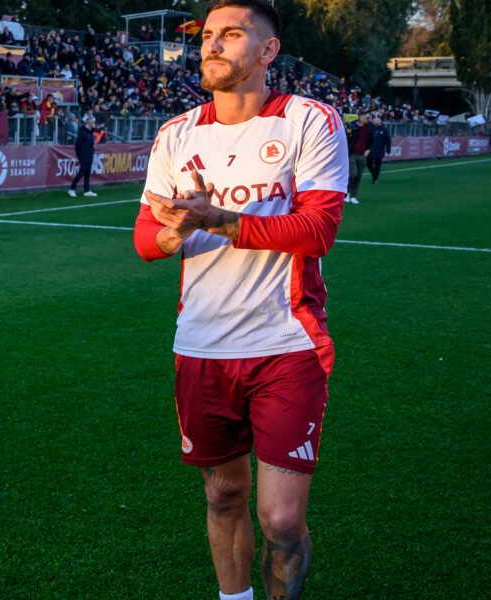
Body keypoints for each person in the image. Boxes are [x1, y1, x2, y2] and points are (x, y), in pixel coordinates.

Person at [132, 1, 348, 599]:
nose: (213, 45)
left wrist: (221, 219)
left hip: (285, 344)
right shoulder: (177, 133)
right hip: (200, 344)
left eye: (231, 34)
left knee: (281, 521)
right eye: (207, 35)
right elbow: (145, 239)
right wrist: (175, 233)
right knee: (223, 495)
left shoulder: (309, 120)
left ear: (268, 51)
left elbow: (317, 230)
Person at [69, 114, 98, 197]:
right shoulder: (82, 131)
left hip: (89, 155)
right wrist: (79, 155)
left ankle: (87, 190)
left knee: (87, 173)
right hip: (83, 155)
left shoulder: (91, 132)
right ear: (89, 123)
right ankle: (72, 188)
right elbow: (78, 145)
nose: (94, 124)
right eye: (93, 122)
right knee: (81, 172)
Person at [345, 113, 369, 204]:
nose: (368, 118)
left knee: (358, 176)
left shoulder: (368, 128)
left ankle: (353, 196)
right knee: (353, 174)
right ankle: (346, 193)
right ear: (361, 117)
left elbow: (372, 140)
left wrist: (369, 150)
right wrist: (349, 133)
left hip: (362, 155)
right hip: (352, 155)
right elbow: (347, 138)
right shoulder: (353, 126)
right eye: (366, 117)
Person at [366, 115, 392, 184]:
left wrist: (388, 149)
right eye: (375, 121)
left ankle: (375, 178)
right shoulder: (371, 128)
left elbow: (388, 140)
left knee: (377, 165)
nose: (376, 123)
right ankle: (374, 173)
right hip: (370, 149)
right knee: (368, 163)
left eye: (378, 121)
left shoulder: (384, 129)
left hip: (379, 149)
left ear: (380, 122)